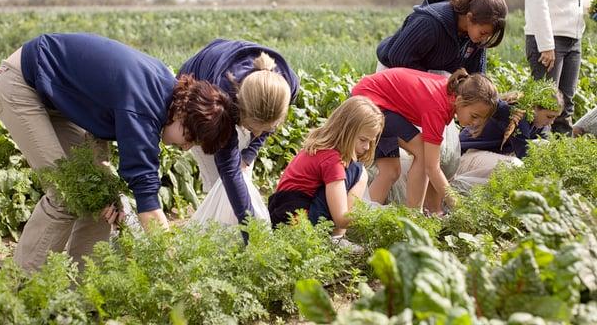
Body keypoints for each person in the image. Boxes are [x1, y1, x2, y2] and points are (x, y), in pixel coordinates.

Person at [0, 33, 235, 272]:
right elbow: (149, 206)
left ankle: (80, 296)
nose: (186, 147)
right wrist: (175, 269)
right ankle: (23, 293)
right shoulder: (144, 108)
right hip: (22, 82)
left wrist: (107, 191)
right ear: (183, 115)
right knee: (64, 194)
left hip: (59, 97)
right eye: (190, 139)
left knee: (101, 194)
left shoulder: (167, 93)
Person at [178, 39, 299, 226]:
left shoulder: (287, 86)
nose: (257, 135)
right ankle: (217, 233)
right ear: (241, 110)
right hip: (196, 93)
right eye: (252, 128)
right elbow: (228, 168)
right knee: (218, 182)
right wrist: (251, 231)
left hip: (241, 91)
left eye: (266, 130)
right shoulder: (221, 99)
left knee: (243, 177)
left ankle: (232, 229)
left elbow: (263, 125)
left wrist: (249, 154)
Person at [351, 67, 498, 214]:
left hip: (370, 96)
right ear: (459, 101)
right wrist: (458, 206)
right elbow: (431, 168)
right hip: (370, 102)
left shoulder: (448, 94)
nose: (476, 123)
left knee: (390, 171)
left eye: (481, 119)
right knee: (423, 153)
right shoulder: (438, 107)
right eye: (474, 116)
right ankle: (414, 216)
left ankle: (363, 218)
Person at [267, 96, 383, 238]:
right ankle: (337, 240)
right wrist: (373, 216)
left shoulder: (321, 147)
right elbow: (341, 218)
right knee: (359, 171)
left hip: (280, 214)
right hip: (297, 222)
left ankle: (336, 239)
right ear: (346, 131)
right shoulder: (332, 159)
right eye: (363, 140)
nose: (366, 147)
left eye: (371, 142)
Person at [525, 0, 597, 135]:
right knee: (546, 104)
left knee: (566, 103)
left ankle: (563, 156)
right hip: (549, 39)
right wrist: (546, 45)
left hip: (573, 38)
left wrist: (592, 6)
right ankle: (536, 154)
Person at [376, 0, 507, 74]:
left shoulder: (476, 38)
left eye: (488, 36)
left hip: (431, 73)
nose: (484, 39)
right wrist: (436, 82)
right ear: (470, 17)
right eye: (483, 33)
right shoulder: (429, 23)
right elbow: (399, 58)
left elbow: (477, 76)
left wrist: (499, 107)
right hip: (392, 69)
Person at [452, 91, 564, 191]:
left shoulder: (538, 122)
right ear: (534, 108)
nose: (552, 122)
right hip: (463, 156)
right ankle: (456, 186)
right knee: (515, 166)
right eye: (549, 117)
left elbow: (546, 144)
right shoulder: (517, 113)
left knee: (544, 145)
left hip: (485, 154)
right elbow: (525, 154)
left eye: (554, 118)